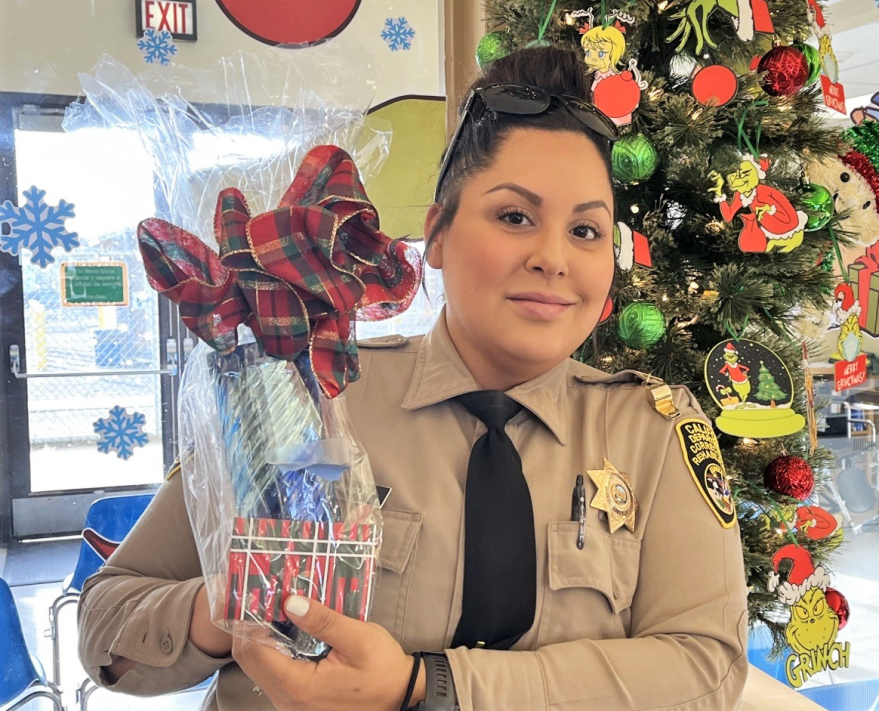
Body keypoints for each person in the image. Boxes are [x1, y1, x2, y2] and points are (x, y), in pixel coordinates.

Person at [78, 46, 749, 711]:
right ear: (438, 235)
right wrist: (233, 602)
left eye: (586, 229)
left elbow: (705, 666)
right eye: (515, 216)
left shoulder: (652, 433)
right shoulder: (311, 391)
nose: (553, 257)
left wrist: (424, 686)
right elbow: (105, 623)